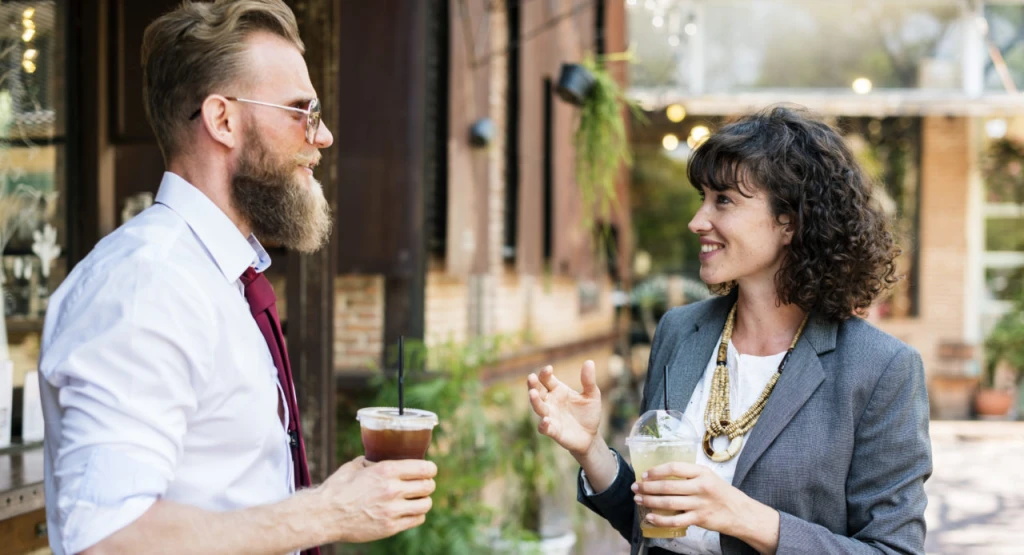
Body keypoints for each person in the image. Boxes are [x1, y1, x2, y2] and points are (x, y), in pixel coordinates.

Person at [38, 1, 436, 554]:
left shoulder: (218, 277)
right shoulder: (144, 286)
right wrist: (327, 511)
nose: (322, 138)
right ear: (223, 120)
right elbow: (107, 541)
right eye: (302, 111)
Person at [527, 106, 931, 555]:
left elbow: (894, 549)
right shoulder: (680, 331)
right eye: (702, 197)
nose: (698, 221)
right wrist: (592, 451)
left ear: (791, 221)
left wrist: (745, 517)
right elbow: (654, 527)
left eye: (724, 200)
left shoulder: (882, 368)